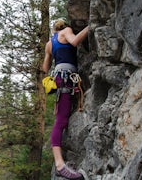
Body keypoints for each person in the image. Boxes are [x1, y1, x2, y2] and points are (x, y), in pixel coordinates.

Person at [42, 18, 89, 180]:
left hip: (60, 79)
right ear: (64, 26)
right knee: (60, 121)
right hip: (67, 78)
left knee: (62, 118)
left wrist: (50, 51)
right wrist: (91, 26)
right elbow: (75, 41)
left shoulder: (50, 43)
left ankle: (60, 163)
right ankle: (60, 165)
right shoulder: (66, 31)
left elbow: (45, 68)